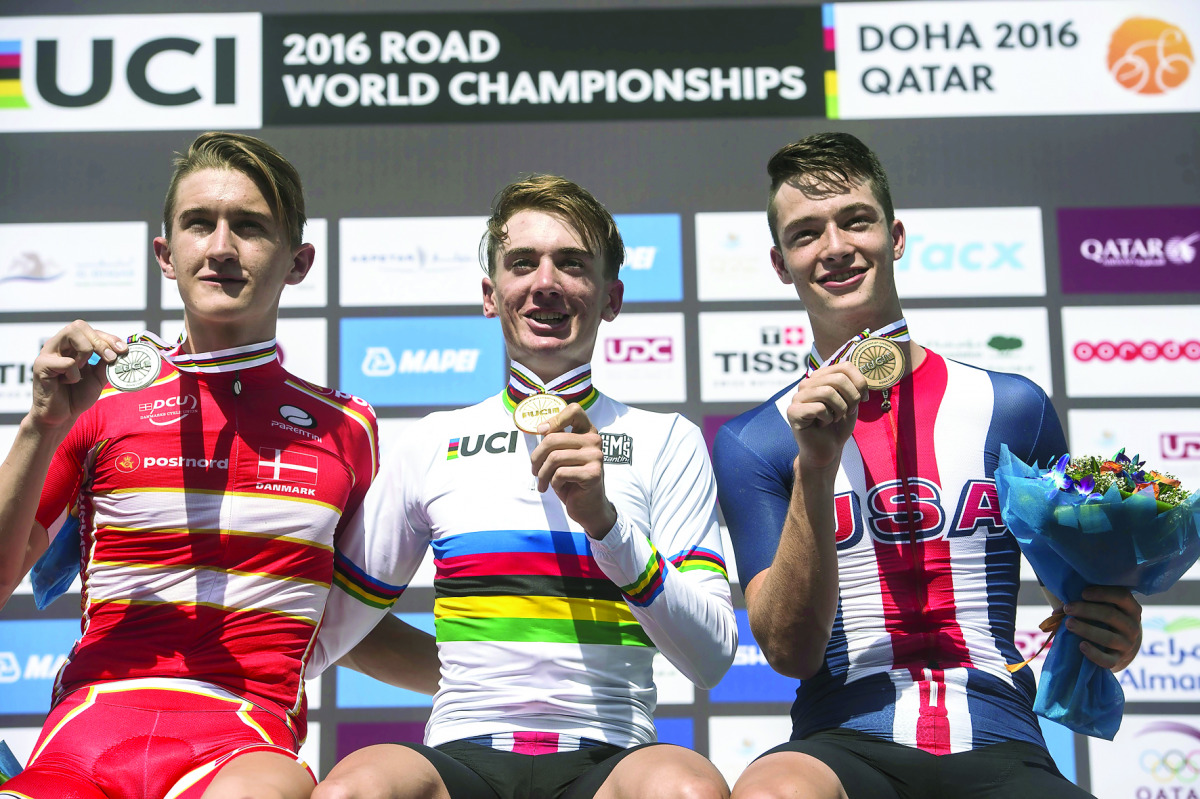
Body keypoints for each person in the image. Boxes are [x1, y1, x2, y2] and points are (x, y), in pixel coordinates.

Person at [712, 132, 1143, 799]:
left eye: (856, 220)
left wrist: (1113, 628)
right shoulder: (755, 440)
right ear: (780, 263)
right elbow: (789, 653)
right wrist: (816, 468)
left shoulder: (1014, 407)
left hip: (1002, 737)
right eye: (806, 233)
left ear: (896, 236)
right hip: (842, 737)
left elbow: (1082, 602)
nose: (835, 247)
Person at [0, 132, 419, 799]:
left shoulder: (348, 428)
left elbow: (344, 622)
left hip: (244, 740)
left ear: (299, 262)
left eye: (249, 226)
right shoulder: (94, 400)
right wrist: (40, 427)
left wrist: (511, 682)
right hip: (86, 730)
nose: (221, 247)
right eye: (199, 223)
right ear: (166, 255)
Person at [311, 174, 737, 799]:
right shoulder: (434, 441)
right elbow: (326, 627)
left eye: (572, 263)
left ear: (611, 297)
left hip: (612, 753)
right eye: (522, 263)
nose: (546, 283)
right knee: (351, 791)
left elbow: (712, 658)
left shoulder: (666, 439)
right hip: (464, 749)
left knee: (689, 791)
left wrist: (607, 526)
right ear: (491, 295)